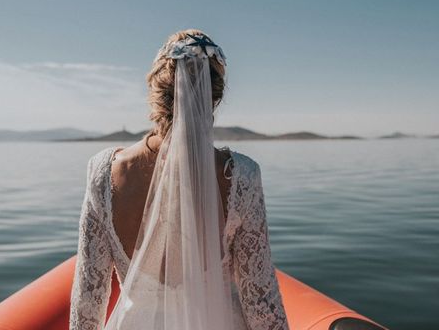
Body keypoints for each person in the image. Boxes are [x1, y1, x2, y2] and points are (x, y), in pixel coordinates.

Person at [69, 29, 289, 329]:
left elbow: (87, 303)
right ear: (214, 98)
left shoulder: (103, 173)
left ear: (155, 92)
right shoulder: (242, 176)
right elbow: (261, 302)